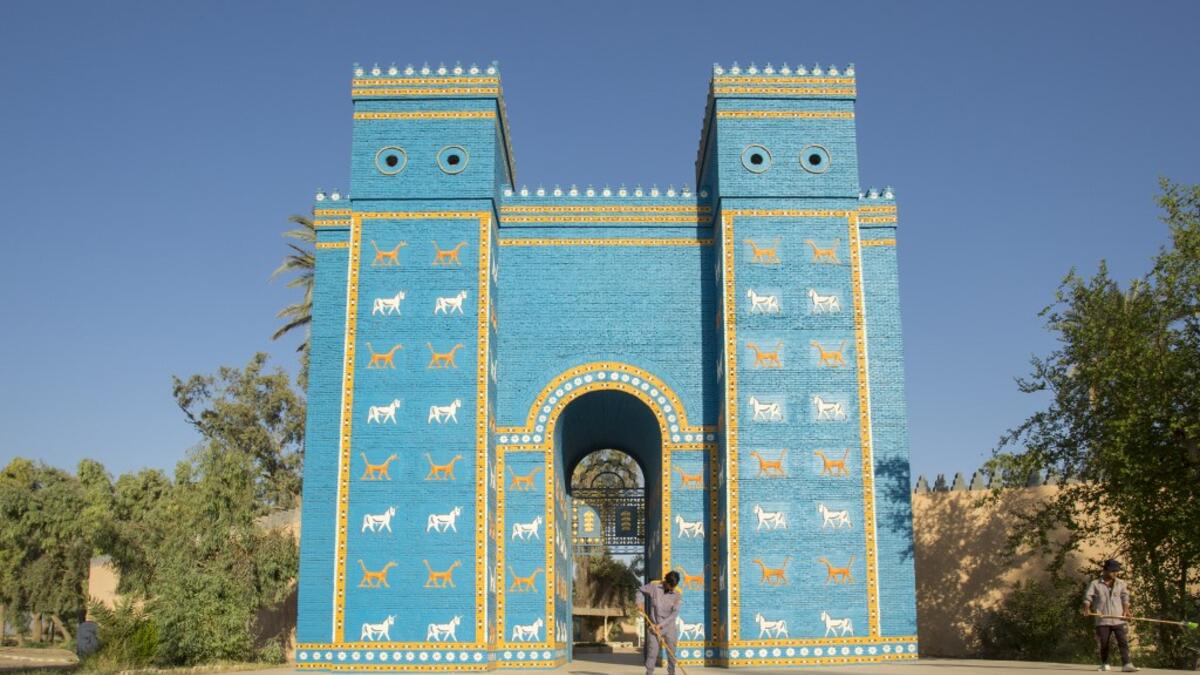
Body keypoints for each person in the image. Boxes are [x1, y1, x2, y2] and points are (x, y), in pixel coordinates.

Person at [1081, 559, 1138, 672]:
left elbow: (1125, 597)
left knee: (1123, 641)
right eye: (1112, 571)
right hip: (1103, 619)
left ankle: (1127, 664)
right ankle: (1105, 663)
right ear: (1105, 570)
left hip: (1118, 619)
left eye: (1117, 571)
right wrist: (1087, 609)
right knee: (1104, 642)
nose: (1115, 573)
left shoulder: (1121, 583)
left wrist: (1126, 610)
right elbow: (1088, 597)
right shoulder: (1095, 584)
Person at [639, 571, 682, 675]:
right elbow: (639, 591)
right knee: (652, 652)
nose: (672, 588)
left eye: (674, 586)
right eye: (670, 586)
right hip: (653, 627)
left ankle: (671, 673)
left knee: (671, 654)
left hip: (669, 627)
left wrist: (660, 625)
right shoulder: (654, 586)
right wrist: (639, 602)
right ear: (666, 581)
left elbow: (674, 614)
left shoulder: (677, 594)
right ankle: (649, 672)